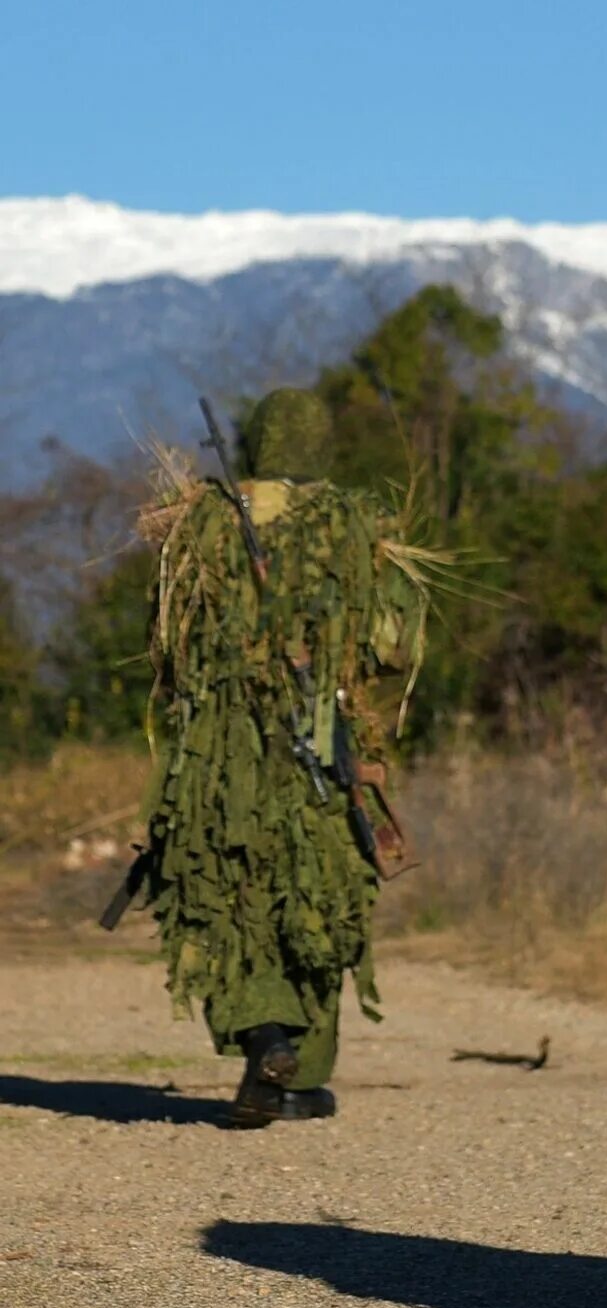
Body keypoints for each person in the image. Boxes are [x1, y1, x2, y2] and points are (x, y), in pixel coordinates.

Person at [135, 388, 431, 1126]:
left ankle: (262, 1045)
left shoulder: (195, 521)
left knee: (227, 899)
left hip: (213, 755)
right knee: (321, 899)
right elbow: (396, 644)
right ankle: (296, 1065)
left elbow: (167, 645)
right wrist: (368, 715)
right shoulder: (353, 525)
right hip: (317, 745)